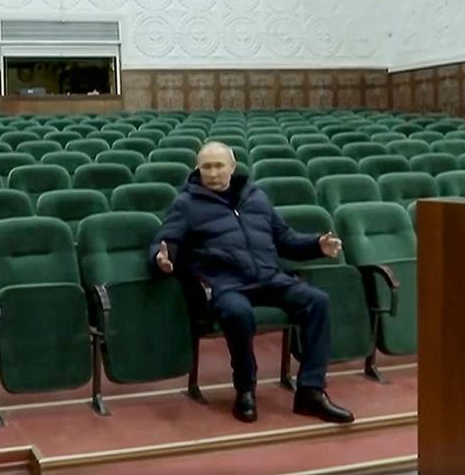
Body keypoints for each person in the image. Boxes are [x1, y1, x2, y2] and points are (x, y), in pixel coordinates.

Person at [151, 142, 354, 424]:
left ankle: (311, 391)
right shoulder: (186, 204)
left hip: (269, 278)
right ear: (198, 169)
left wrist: (317, 245)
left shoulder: (255, 197)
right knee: (238, 313)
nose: (212, 172)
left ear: (232, 168)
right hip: (225, 284)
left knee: (317, 301)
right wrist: (161, 258)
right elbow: (166, 241)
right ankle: (245, 389)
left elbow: (286, 240)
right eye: (206, 166)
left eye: (219, 165)